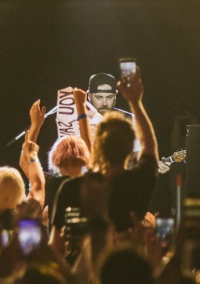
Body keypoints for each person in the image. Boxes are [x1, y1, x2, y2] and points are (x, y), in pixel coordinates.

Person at [51, 65, 159, 232]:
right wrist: (135, 101)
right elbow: (149, 144)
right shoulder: (138, 184)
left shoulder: (73, 188)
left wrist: (80, 107)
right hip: (126, 257)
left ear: (98, 146)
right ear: (131, 145)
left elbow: (55, 242)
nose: (103, 101)